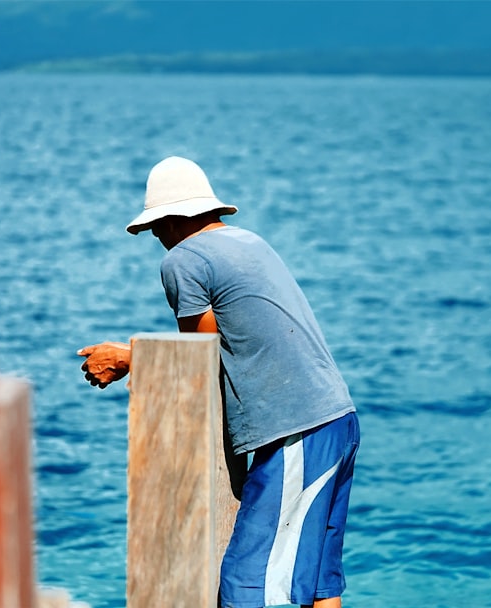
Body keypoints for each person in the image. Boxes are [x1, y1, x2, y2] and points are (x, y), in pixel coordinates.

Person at [77, 156, 359, 608]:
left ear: (168, 221)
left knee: (243, 584)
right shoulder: (251, 242)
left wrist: (131, 359)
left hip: (295, 430)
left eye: (154, 228)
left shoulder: (183, 260)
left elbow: (197, 360)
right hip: (337, 418)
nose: (156, 239)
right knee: (318, 584)